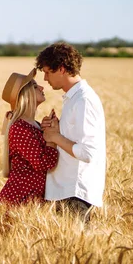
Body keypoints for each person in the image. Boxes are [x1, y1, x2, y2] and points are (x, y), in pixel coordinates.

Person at [36, 42, 106, 221]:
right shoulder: (73, 98)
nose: (45, 78)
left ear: (61, 69)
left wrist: (55, 137)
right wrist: (57, 128)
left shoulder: (84, 100)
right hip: (67, 190)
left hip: (75, 193)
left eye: (47, 72)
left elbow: (88, 152)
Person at [0, 68, 59, 206]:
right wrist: (52, 138)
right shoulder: (20, 128)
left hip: (31, 199)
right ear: (26, 94)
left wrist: (53, 129)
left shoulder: (34, 125)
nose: (42, 87)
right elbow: (43, 163)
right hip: (20, 199)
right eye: (36, 86)